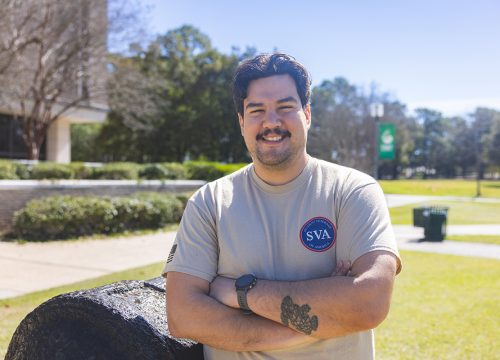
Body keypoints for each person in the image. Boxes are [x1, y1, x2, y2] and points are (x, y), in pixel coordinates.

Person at [163, 53, 402, 359]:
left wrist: (239, 292)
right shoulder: (209, 202)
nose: (271, 122)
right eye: (256, 110)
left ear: (307, 114)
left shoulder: (353, 190)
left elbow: (369, 303)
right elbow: (183, 315)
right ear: (241, 122)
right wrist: (311, 323)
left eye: (285, 107)